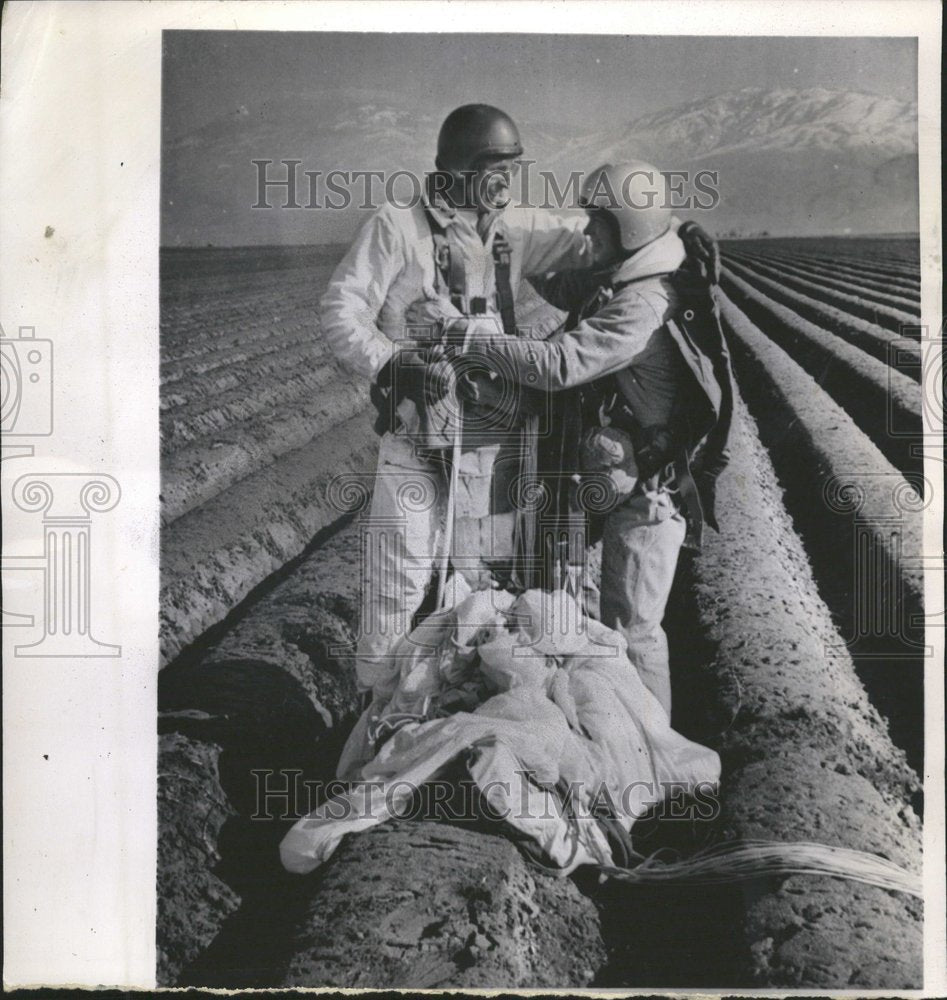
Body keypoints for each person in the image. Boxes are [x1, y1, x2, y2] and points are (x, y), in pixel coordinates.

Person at [411, 162, 732, 715]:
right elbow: (565, 286)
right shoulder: (633, 272)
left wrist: (461, 332)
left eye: (598, 221)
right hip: (615, 480)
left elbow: (559, 363)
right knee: (591, 619)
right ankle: (610, 729)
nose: (587, 231)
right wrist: (511, 253)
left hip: (649, 494)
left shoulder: (644, 303)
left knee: (632, 629)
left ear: (629, 227)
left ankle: (653, 760)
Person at [320, 104, 591, 704]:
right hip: (418, 444)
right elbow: (341, 310)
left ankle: (443, 722)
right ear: (464, 168)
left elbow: (583, 237)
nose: (506, 184)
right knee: (400, 585)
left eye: (512, 171)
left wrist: (669, 233)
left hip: (485, 447)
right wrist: (394, 362)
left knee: (475, 590)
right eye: (497, 170)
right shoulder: (397, 226)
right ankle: (378, 723)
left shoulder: (509, 229)